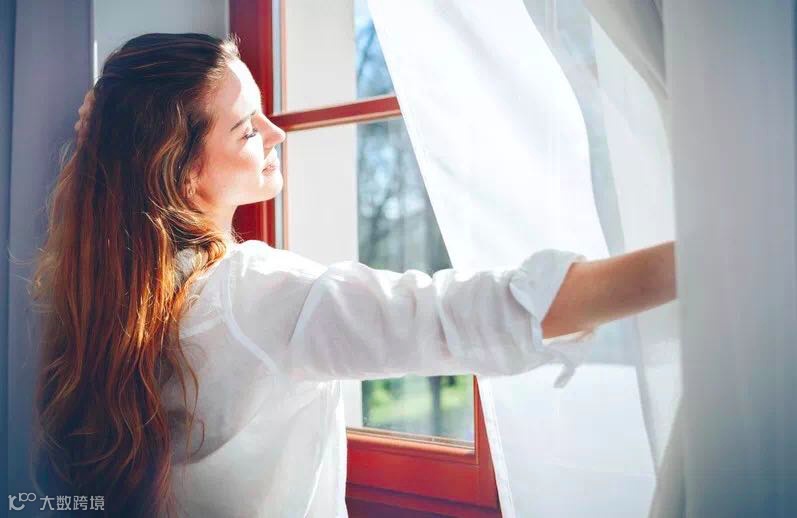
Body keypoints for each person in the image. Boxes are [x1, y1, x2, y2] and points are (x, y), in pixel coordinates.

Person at [30, 33, 676, 517]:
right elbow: (454, 316)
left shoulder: (98, 290)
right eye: (247, 129)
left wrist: (106, 125)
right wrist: (688, 264)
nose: (276, 134)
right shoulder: (252, 297)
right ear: (179, 170)